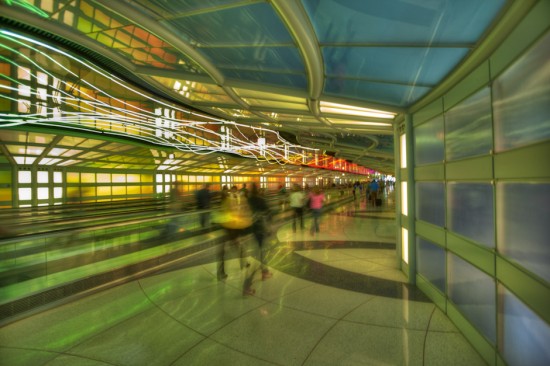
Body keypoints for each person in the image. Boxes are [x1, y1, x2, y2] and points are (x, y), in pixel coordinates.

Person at [216, 185, 252, 281]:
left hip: (232, 227)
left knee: (232, 247)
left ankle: (222, 271)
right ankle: (243, 262)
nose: (231, 192)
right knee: (235, 246)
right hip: (231, 227)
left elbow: (241, 210)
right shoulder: (230, 200)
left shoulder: (234, 199)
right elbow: (242, 211)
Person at [242, 183, 274, 296]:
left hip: (252, 230)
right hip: (260, 229)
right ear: (259, 190)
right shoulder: (261, 200)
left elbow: (244, 214)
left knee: (261, 251)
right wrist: (270, 227)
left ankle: (265, 271)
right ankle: (246, 286)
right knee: (258, 256)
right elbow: (269, 214)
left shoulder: (247, 200)